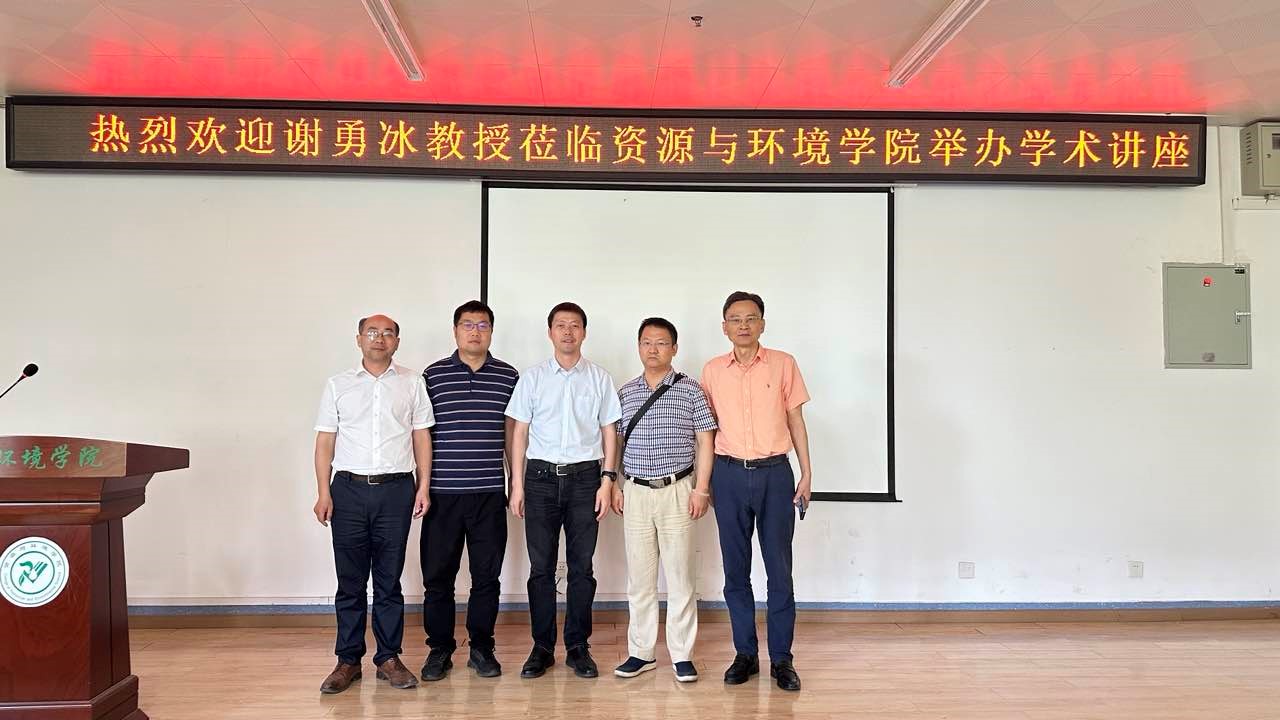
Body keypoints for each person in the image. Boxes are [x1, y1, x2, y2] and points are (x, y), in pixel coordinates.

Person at [313, 314, 433, 693]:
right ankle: (348, 660)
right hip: (347, 490)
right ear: (359, 339)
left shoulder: (412, 382)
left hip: (396, 490)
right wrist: (323, 491)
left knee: (388, 580)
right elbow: (325, 441)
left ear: (397, 341)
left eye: (387, 333)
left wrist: (423, 486)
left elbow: (421, 437)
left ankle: (388, 658)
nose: (379, 338)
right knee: (350, 582)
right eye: (372, 332)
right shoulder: (338, 384)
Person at [700, 291, 812, 692]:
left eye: (750, 318)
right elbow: (705, 432)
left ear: (762, 324)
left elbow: (796, 420)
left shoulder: (783, 364)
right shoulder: (712, 370)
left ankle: (782, 659)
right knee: (736, 570)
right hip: (728, 475)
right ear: (724, 327)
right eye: (735, 319)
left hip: (775, 474)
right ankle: (745, 654)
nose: (743, 325)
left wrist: (807, 473)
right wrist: (704, 483)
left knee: (779, 570)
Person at [505, 301, 621, 679]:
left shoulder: (599, 378)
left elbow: (609, 431)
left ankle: (577, 646)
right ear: (550, 332)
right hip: (539, 479)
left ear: (584, 332)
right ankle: (541, 647)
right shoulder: (533, 378)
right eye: (560, 325)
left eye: (574, 325)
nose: (568, 332)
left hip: (586, 480)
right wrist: (517, 484)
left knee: (581, 568)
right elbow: (519, 433)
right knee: (540, 568)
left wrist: (607, 480)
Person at [610, 317, 716, 683]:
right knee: (640, 579)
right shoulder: (626, 393)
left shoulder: (691, 390)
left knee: (680, 577)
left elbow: (705, 442)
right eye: (646, 342)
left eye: (661, 343)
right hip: (636, 492)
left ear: (674, 348)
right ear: (638, 347)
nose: (653, 349)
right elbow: (616, 443)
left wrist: (701, 489)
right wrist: (615, 484)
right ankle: (641, 653)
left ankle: (682, 655)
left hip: (678, 491)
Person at [419, 301, 518, 681]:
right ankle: (439, 650)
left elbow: (512, 436)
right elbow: (421, 435)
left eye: (482, 325)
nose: (475, 331)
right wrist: (423, 486)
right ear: (455, 330)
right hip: (442, 494)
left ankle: (481, 648)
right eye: (467, 325)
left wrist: (515, 482)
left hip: (489, 494)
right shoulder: (433, 376)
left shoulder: (508, 376)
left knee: (486, 578)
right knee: (438, 579)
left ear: (491, 331)